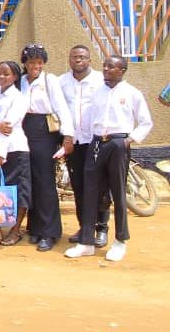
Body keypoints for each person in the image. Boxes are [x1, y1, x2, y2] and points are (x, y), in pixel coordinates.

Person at [65, 56, 153, 262]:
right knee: (90, 192)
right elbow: (88, 121)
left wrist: (129, 140)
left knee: (118, 192)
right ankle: (86, 242)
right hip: (96, 143)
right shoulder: (97, 93)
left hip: (118, 143)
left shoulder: (132, 93)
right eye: (104, 66)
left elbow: (145, 122)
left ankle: (120, 241)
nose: (105, 69)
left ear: (122, 70)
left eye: (111, 67)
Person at [19, 43, 74, 251]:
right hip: (25, 129)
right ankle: (34, 227)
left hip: (45, 130)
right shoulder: (22, 81)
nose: (36, 66)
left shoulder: (49, 81)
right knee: (30, 179)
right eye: (32, 62)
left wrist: (68, 137)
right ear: (25, 63)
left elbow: (61, 109)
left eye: (39, 62)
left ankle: (49, 232)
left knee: (45, 181)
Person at [59, 45, 110, 247]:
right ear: (69, 60)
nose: (78, 60)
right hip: (74, 143)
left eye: (82, 57)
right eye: (74, 57)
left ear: (89, 60)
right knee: (79, 186)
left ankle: (101, 228)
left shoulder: (100, 81)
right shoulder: (62, 82)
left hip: (96, 141)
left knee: (100, 187)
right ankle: (84, 227)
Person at [0, 61, 30, 249]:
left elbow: (8, 127)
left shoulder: (19, 98)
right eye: (0, 73)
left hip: (14, 149)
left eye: (7, 74)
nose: (2, 77)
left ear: (15, 77)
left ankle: (15, 230)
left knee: (19, 191)